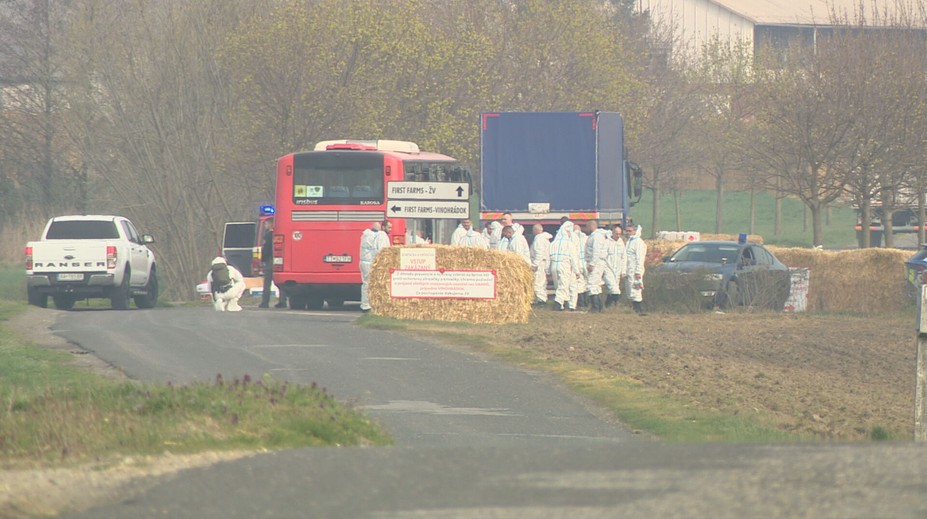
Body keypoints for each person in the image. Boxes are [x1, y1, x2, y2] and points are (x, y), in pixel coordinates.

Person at [359, 221, 391, 312]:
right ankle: (376, 304)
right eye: (389, 227)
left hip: (364, 262)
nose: (390, 230)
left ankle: (365, 304)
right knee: (378, 284)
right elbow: (383, 250)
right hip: (373, 262)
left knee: (366, 283)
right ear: (382, 228)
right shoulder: (381, 236)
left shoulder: (365, 235)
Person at [548, 220, 580, 311]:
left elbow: (548, 256)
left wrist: (548, 269)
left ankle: (561, 305)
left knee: (557, 285)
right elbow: (573, 259)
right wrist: (577, 271)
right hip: (565, 265)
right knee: (563, 285)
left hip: (554, 265)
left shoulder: (553, 243)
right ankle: (558, 303)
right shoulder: (569, 244)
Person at [258, 219, 287, 309]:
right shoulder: (282, 233)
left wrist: (263, 260)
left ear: (271, 224)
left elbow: (266, 249)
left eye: (266, 223)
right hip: (280, 260)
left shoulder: (268, 235)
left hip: (270, 261)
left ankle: (265, 302)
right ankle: (282, 301)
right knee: (281, 283)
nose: (265, 225)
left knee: (267, 283)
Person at [584, 220, 610, 312]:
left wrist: (592, 264)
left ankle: (595, 307)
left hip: (596, 263)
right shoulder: (597, 236)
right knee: (596, 284)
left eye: (587, 226)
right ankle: (600, 306)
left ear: (591, 226)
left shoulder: (596, 236)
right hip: (598, 262)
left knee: (592, 284)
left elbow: (596, 251)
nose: (586, 229)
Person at [625, 224, 648, 315]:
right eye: (626, 231)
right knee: (631, 289)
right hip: (630, 269)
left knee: (636, 289)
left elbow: (640, 258)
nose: (628, 233)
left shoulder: (638, 242)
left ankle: (639, 309)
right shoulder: (630, 241)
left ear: (635, 231)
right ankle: (635, 308)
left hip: (635, 269)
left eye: (630, 231)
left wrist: (638, 271)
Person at [603, 224, 626, 308]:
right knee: (614, 289)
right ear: (612, 232)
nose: (618, 235)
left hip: (617, 270)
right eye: (616, 233)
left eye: (619, 234)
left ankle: (607, 307)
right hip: (608, 269)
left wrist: (623, 270)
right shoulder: (607, 242)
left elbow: (624, 257)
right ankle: (617, 305)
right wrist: (602, 270)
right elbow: (603, 257)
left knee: (611, 290)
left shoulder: (621, 243)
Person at [529, 224, 552, 306]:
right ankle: (543, 297)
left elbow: (539, 253)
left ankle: (540, 300)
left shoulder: (538, 239)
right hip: (544, 262)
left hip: (539, 263)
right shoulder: (546, 239)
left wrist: (535, 264)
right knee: (542, 281)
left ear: (535, 230)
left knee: (537, 282)